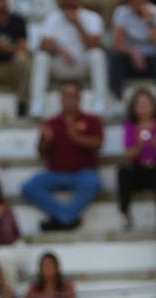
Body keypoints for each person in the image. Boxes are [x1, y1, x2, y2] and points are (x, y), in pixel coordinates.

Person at [22, 82, 104, 232]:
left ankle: (59, 219)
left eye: (73, 96)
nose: (69, 99)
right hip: (56, 173)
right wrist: (46, 141)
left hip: (83, 173)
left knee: (94, 182)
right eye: (66, 96)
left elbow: (98, 145)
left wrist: (76, 137)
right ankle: (67, 217)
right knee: (30, 187)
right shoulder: (51, 123)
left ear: (80, 99)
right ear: (61, 99)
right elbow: (41, 152)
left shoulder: (92, 120)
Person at [32, 0, 108, 116]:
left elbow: (94, 45)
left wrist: (78, 24)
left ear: (79, 3)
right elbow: (43, 44)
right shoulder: (53, 17)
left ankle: (99, 102)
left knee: (97, 55)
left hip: (82, 65)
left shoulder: (92, 17)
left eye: (72, 5)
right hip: (60, 64)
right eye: (66, 5)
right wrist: (62, 52)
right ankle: (37, 104)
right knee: (41, 57)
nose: (69, 9)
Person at [119, 88, 156, 227]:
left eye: (147, 104)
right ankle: (126, 214)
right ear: (134, 108)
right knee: (123, 171)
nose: (144, 107)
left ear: (154, 106)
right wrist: (139, 146)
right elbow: (129, 155)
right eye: (140, 104)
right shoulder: (130, 126)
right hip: (139, 170)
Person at [108, 0, 156, 101]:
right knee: (114, 56)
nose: (137, 4)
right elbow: (117, 43)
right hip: (130, 57)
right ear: (129, 1)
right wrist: (133, 52)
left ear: (146, 0)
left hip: (151, 58)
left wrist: (150, 22)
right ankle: (116, 96)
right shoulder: (121, 13)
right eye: (134, 0)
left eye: (140, 0)